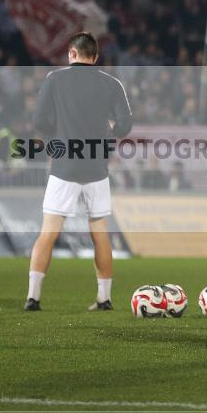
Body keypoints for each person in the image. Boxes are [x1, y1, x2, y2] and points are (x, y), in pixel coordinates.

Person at [25, 32, 133, 312]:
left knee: (48, 233)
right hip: (97, 167)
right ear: (95, 57)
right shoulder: (111, 83)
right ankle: (104, 298)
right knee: (100, 234)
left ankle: (33, 298)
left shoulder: (54, 79)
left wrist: (57, 133)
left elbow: (39, 121)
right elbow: (125, 125)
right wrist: (111, 129)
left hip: (64, 166)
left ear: (71, 54)